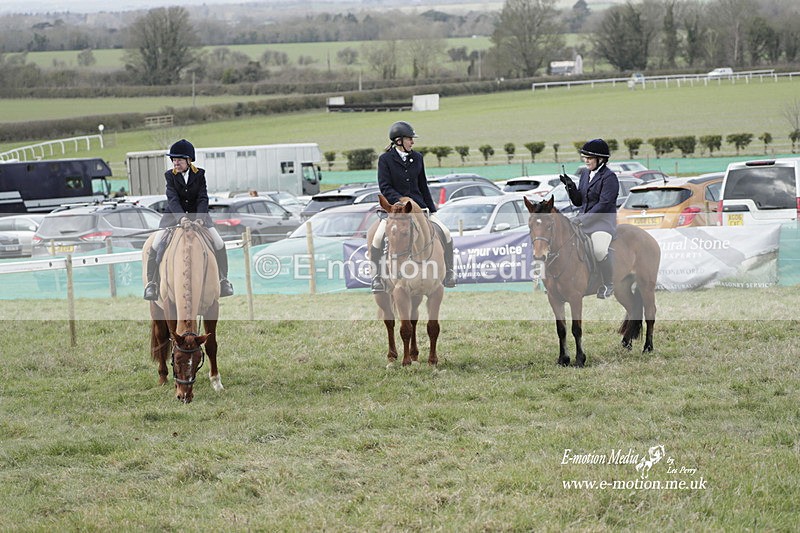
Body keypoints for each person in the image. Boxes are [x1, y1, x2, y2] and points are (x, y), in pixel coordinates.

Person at [370, 121, 456, 292]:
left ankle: (449, 273)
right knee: (377, 238)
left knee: (446, 233)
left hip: (420, 209)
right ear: (399, 141)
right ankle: (377, 277)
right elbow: (385, 187)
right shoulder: (385, 160)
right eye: (410, 139)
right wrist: (400, 202)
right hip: (396, 210)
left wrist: (431, 209)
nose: (413, 142)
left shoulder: (417, 157)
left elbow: (423, 185)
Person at [143, 139, 234, 300]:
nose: (175, 162)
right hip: (173, 217)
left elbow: (202, 198)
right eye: (173, 159)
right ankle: (152, 284)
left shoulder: (200, 174)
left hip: (199, 216)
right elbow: (172, 200)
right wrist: (182, 219)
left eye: (178, 159)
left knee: (219, 243)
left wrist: (199, 219)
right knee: (156, 244)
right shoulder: (170, 176)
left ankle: (223, 280)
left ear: (188, 160)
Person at [559, 138, 619, 299]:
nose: (586, 161)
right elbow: (579, 201)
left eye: (589, 158)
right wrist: (570, 186)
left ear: (600, 159)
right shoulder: (585, 174)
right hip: (583, 220)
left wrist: (582, 220)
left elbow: (604, 205)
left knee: (599, 250)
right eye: (584, 157)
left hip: (602, 223)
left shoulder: (609, 177)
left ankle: (608, 284)